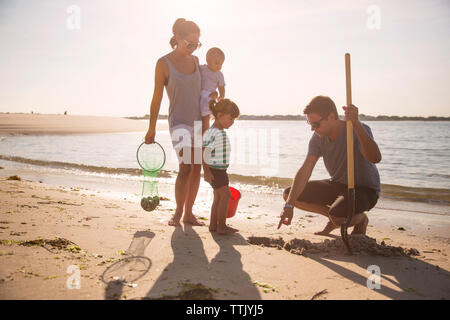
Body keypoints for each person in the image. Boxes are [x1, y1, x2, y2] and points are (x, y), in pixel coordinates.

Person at [279, 95, 382, 235]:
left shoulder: (356, 129)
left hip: (365, 190)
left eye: (315, 124)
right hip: (338, 185)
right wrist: (289, 205)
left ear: (331, 117)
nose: (312, 129)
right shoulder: (318, 138)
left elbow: (375, 158)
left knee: (338, 215)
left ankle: (360, 219)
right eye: (310, 124)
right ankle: (334, 217)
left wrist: (356, 123)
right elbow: (306, 169)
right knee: (289, 194)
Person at [144, 18, 204, 227]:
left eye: (197, 44)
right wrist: (151, 127)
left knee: (197, 168)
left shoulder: (196, 62)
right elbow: (157, 97)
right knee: (185, 166)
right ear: (178, 38)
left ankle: (189, 213)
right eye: (190, 43)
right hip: (179, 122)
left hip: (198, 123)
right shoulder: (163, 63)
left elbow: (205, 91)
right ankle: (178, 212)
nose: (193, 48)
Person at [202, 98, 240, 235]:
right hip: (216, 170)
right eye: (231, 119)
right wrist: (206, 171)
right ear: (220, 116)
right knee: (225, 195)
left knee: (218, 197)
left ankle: (213, 225)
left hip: (218, 169)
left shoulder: (216, 131)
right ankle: (222, 226)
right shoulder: (214, 132)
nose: (232, 122)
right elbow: (204, 151)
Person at [199, 47, 226, 134]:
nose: (219, 66)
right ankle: (197, 137)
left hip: (209, 97)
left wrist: (221, 98)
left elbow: (221, 87)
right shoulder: (202, 68)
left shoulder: (219, 75)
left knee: (206, 119)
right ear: (208, 60)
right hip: (198, 96)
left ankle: (205, 137)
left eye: (221, 64)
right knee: (197, 119)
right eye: (217, 63)